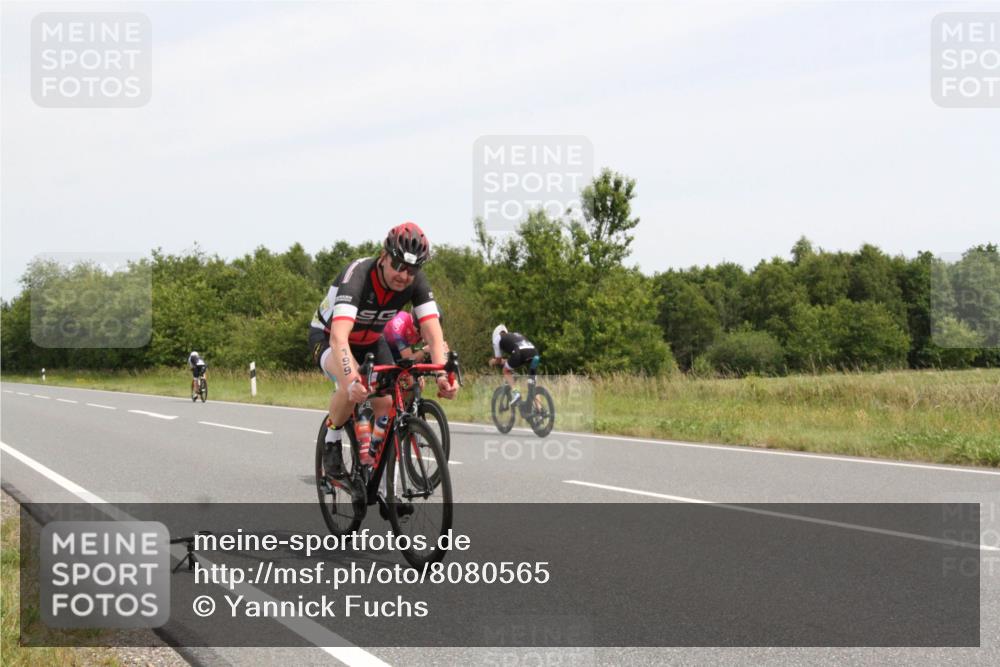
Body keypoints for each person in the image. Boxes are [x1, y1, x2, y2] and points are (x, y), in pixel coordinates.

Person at [309, 222, 458, 480]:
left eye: (412, 270)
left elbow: (434, 335)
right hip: (328, 337)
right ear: (383, 256)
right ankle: (332, 440)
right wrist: (352, 378)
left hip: (371, 341)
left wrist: (444, 374)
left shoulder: (416, 282)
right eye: (398, 265)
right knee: (350, 387)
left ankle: (372, 463)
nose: (403, 275)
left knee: (388, 400)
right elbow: (339, 337)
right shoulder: (357, 276)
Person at [489, 325, 539, 406]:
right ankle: (540, 411)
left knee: (505, 370)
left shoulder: (497, 339)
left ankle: (516, 394)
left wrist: (493, 362)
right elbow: (515, 358)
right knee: (533, 385)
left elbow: (498, 360)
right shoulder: (516, 334)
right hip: (534, 353)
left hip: (520, 353)